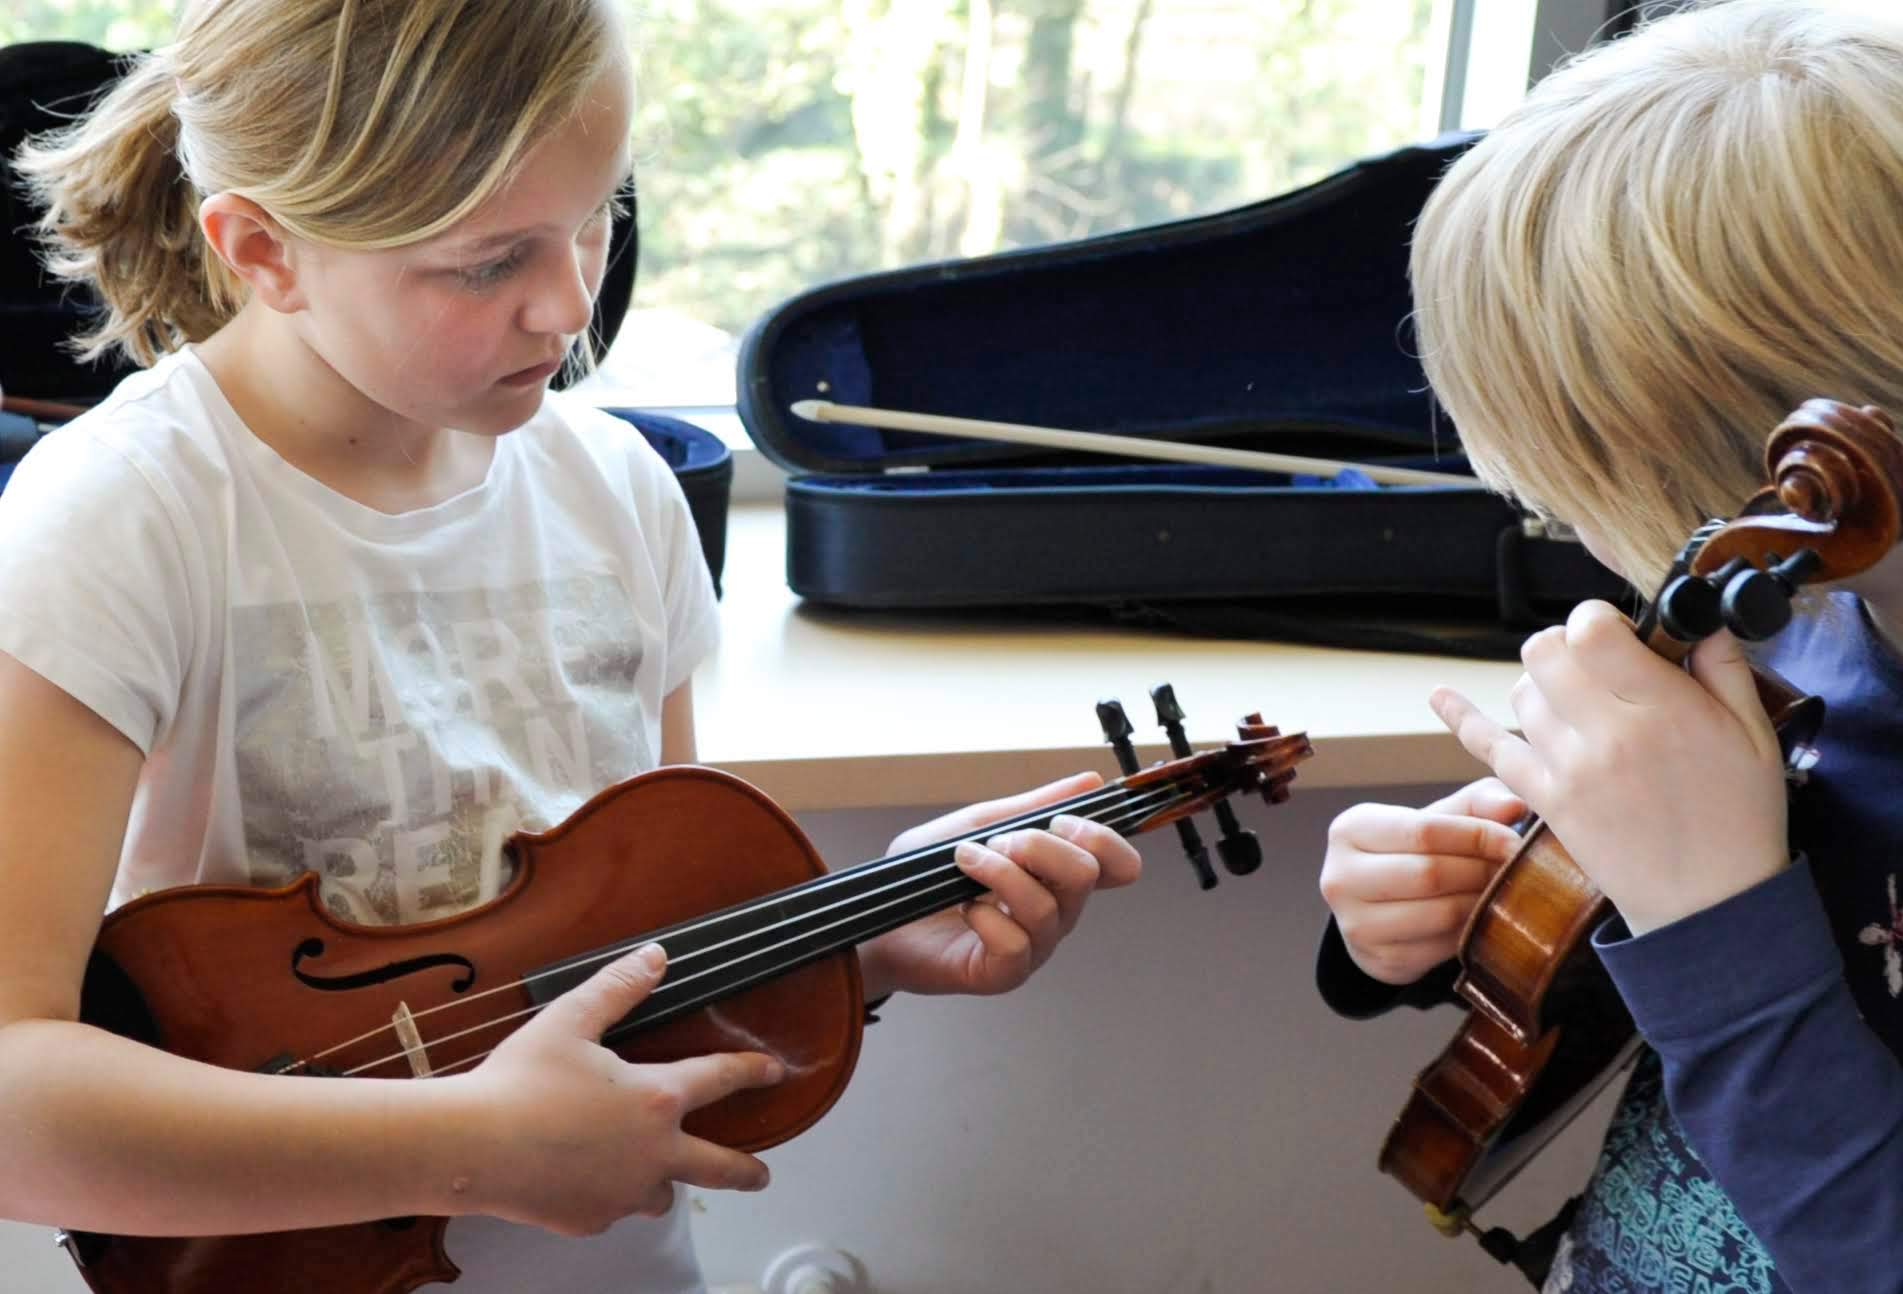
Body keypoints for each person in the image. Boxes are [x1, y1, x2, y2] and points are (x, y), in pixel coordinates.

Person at [0, 2, 1142, 1291]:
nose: (570, 303)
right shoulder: (124, 516)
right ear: (264, 249)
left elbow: (636, 941)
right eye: (489, 263)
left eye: (596, 215)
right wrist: (461, 1147)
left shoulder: (618, 490)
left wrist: (847, 941)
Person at [1316, 2, 1903, 1290]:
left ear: (1775, 474)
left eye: (1568, 488)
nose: (1564, 530)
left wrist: (1713, 916)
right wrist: (1481, 905)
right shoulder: (1805, 632)